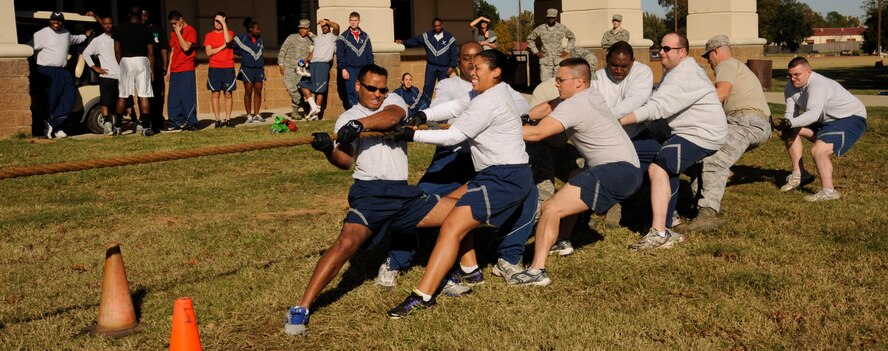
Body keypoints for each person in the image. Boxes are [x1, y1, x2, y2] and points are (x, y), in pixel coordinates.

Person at [283, 64, 455, 336]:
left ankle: (455, 273)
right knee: (346, 244)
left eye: (382, 88)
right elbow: (345, 161)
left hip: (402, 192)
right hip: (370, 193)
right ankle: (301, 307)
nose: (378, 93)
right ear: (358, 86)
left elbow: (393, 117)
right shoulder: (346, 119)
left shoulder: (393, 101)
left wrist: (359, 126)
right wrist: (329, 150)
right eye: (372, 88)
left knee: (461, 214)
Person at [385, 50, 535, 318]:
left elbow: (454, 135)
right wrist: (422, 114)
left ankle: (424, 295)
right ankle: (471, 270)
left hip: (506, 177)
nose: (472, 72)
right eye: (471, 67)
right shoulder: (485, 94)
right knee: (452, 205)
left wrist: (411, 136)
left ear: (496, 72)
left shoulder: (490, 101)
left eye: (478, 68)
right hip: (495, 175)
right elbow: (455, 107)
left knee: (452, 225)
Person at [510, 58, 642, 286]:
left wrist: (497, 130)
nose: (556, 84)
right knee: (574, 177)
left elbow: (537, 134)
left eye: (560, 80)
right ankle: (562, 239)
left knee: (550, 208)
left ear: (579, 82)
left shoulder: (575, 105)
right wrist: (526, 117)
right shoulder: (589, 94)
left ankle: (536, 271)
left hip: (615, 171)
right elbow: (549, 106)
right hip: (626, 169)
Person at [617, 33, 727, 250]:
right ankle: (667, 223)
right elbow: (657, 100)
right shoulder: (675, 70)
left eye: (667, 48)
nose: (662, 52)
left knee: (659, 169)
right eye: (661, 47)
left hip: (701, 134)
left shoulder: (684, 74)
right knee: (652, 159)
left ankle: (658, 233)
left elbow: (657, 107)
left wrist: (619, 121)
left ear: (682, 52)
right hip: (683, 132)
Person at [548, 40, 655, 252]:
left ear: (633, 62)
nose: (618, 70)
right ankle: (565, 235)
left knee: (653, 166)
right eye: (614, 65)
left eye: (624, 66)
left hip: (634, 134)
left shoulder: (642, 73)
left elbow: (635, 100)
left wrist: (602, 117)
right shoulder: (597, 79)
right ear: (606, 61)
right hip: (603, 141)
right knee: (578, 176)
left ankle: (634, 210)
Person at [679, 35, 772, 232]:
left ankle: (708, 214)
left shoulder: (727, 64)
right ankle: (697, 205)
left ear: (716, 52)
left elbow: (721, 93)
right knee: (702, 155)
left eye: (708, 57)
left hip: (746, 122)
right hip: (748, 122)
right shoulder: (737, 66)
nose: (709, 63)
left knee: (715, 159)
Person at [772, 57, 867, 202]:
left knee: (818, 151)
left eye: (797, 74)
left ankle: (829, 192)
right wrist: (786, 123)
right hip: (824, 120)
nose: (792, 78)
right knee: (789, 131)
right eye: (790, 75)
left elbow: (813, 114)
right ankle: (800, 174)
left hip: (850, 118)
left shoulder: (818, 85)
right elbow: (791, 114)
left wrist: (790, 122)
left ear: (808, 71)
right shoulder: (790, 87)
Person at [28, 11, 92, 138]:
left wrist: (86, 35)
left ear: (62, 22)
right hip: (47, 70)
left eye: (59, 21)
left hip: (63, 71)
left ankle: (52, 123)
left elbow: (76, 39)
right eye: (54, 20)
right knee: (52, 101)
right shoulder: (42, 34)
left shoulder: (66, 33)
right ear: (50, 21)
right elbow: (28, 47)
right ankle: (56, 129)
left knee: (71, 97)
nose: (56, 23)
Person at [396, 18, 458, 110]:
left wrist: (452, 66)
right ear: (433, 26)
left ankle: (443, 110)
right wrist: (404, 42)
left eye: (439, 25)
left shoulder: (449, 38)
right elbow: (415, 41)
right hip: (431, 66)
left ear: (442, 25)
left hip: (444, 68)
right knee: (428, 87)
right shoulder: (427, 36)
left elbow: (454, 53)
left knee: (444, 89)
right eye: (435, 26)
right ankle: (424, 109)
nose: (437, 27)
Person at [115, 6, 157, 136]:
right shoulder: (146, 30)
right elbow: (151, 52)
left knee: (123, 95)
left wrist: (121, 63)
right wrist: (152, 70)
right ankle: (145, 128)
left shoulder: (120, 28)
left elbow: (117, 50)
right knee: (143, 95)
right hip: (142, 60)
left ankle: (117, 127)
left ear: (129, 14)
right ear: (140, 16)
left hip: (126, 60)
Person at [83, 15, 122, 135]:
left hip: (120, 75)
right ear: (102, 25)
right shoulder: (98, 40)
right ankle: (107, 125)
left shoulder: (119, 37)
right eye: (105, 24)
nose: (107, 26)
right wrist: (95, 68)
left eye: (109, 23)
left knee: (120, 102)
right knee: (105, 102)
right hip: (106, 76)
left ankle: (118, 124)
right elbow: (86, 53)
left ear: (112, 23)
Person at [299, 19, 340, 120]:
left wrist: (326, 21)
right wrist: (304, 61)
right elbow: (312, 52)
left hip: (323, 64)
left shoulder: (332, 36)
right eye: (323, 26)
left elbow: (337, 27)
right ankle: (314, 107)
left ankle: (316, 115)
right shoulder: (317, 38)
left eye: (326, 25)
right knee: (302, 85)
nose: (324, 27)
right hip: (312, 64)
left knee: (319, 90)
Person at [165, 10, 198, 132]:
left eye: (175, 23)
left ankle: (191, 122)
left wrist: (179, 33)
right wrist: (169, 70)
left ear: (180, 20)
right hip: (175, 69)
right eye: (171, 24)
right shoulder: (173, 33)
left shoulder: (190, 31)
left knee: (187, 96)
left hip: (186, 68)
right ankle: (175, 122)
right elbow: (173, 51)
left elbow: (186, 47)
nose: (173, 26)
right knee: (174, 98)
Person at [336, 12, 374, 110]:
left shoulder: (365, 36)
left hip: (363, 68)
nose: (353, 22)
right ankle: (353, 114)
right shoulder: (343, 37)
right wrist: (343, 69)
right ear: (349, 21)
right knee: (352, 91)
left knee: (364, 90)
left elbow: (369, 54)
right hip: (350, 69)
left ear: (359, 21)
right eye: (351, 20)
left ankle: (364, 112)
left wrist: (371, 69)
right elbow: (340, 55)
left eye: (355, 20)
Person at [279, 19, 316, 119]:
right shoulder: (292, 37)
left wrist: (311, 35)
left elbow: (319, 43)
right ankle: (304, 104)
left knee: (298, 89)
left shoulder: (311, 40)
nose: (302, 31)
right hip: (289, 67)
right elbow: (283, 49)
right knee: (290, 87)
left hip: (302, 69)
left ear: (308, 29)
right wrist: (281, 64)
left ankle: (295, 113)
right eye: (300, 28)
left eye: (304, 29)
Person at [204, 12, 236, 128]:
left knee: (228, 94)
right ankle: (217, 120)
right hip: (214, 68)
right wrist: (222, 47)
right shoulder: (209, 35)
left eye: (220, 21)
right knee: (215, 94)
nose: (217, 23)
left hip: (228, 67)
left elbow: (228, 40)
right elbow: (208, 52)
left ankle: (228, 119)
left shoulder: (230, 32)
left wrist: (223, 23)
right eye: (216, 21)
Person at [526, 8, 575, 82]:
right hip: (545, 61)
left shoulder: (562, 28)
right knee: (545, 83)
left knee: (558, 82)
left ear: (556, 18)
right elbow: (530, 39)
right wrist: (536, 52)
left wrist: (567, 51)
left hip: (558, 61)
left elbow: (572, 38)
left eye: (553, 18)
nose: (551, 19)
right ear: (547, 17)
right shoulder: (541, 28)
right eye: (549, 17)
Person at [141, 9, 169, 130]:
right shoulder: (139, 31)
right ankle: (147, 122)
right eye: (141, 16)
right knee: (144, 96)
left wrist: (165, 65)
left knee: (158, 95)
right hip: (142, 68)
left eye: (145, 15)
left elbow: (163, 49)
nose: (143, 18)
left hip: (157, 68)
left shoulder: (158, 30)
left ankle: (158, 121)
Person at [234, 17, 266, 123]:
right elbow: (233, 47)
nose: (259, 30)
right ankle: (248, 115)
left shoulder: (260, 39)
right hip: (247, 69)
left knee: (258, 92)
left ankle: (257, 114)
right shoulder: (241, 38)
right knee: (248, 92)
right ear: (251, 29)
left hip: (259, 69)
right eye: (257, 29)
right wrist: (240, 54)